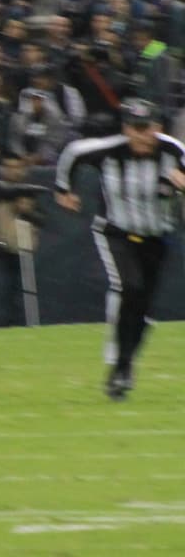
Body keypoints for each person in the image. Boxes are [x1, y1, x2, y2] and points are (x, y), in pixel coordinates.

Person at [54, 99, 185, 400]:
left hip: (157, 236)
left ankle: (123, 367)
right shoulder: (108, 150)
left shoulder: (173, 150)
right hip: (117, 231)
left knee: (144, 307)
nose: (140, 136)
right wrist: (64, 189)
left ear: (157, 128)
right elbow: (72, 153)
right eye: (134, 128)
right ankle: (118, 362)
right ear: (125, 129)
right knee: (129, 287)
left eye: (146, 128)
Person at [0, 157, 47, 327]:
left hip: (25, 247)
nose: (12, 171)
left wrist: (27, 213)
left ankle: (25, 325)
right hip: (1, 247)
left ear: (23, 170)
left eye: (16, 167)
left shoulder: (30, 193)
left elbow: (43, 220)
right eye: (8, 167)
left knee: (25, 292)